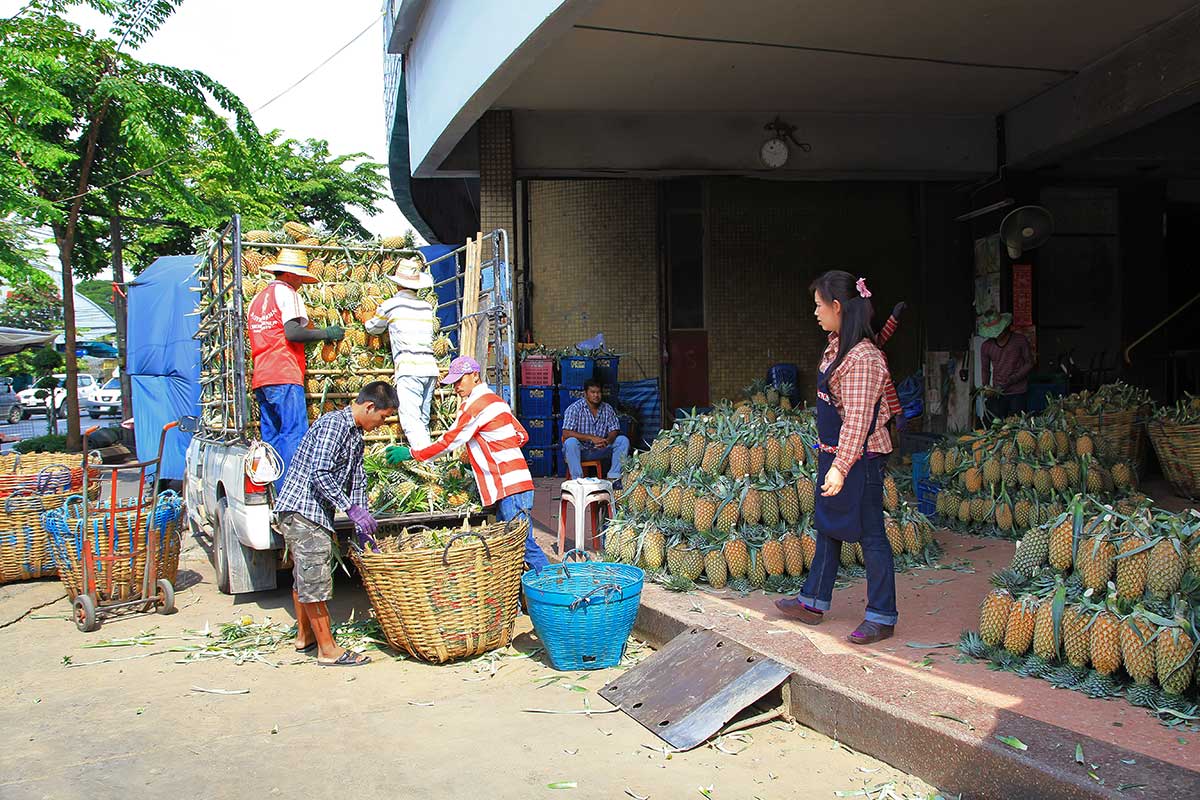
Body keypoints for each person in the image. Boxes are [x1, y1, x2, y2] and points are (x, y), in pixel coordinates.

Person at [775, 272, 897, 645]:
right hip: (835, 453)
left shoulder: (863, 358)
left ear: (838, 306)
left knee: (872, 535)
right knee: (828, 526)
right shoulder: (836, 346)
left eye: (818, 305)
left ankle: (882, 615)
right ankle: (812, 600)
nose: (815, 312)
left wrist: (842, 468)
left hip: (860, 457)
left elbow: (859, 419)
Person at [273, 381, 398, 667]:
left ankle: (305, 637)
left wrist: (362, 519)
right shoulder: (334, 425)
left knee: (304, 576)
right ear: (369, 407)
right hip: (303, 510)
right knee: (315, 580)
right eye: (382, 417)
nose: (382, 424)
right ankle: (328, 650)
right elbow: (320, 473)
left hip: (313, 513)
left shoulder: (355, 435)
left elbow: (357, 479)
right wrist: (349, 508)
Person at [384, 356, 549, 571]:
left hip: (508, 486)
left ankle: (557, 590)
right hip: (520, 482)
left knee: (524, 546)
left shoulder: (474, 405)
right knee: (510, 548)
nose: (456, 387)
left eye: (460, 380)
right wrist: (490, 450)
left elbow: (449, 442)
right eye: (453, 383)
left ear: (475, 376)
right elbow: (521, 435)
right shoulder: (498, 402)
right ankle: (524, 600)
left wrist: (411, 453)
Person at [247, 247, 344, 490]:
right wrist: (326, 333)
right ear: (290, 275)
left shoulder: (257, 300)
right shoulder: (288, 293)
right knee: (293, 434)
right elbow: (293, 333)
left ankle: (276, 490)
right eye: (300, 277)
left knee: (272, 436)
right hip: (284, 372)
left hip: (262, 375)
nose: (301, 282)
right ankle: (294, 491)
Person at [364, 258, 438, 449]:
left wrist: (366, 318)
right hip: (430, 367)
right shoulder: (426, 307)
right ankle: (430, 458)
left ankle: (426, 463)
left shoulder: (392, 305)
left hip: (409, 367)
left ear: (397, 283)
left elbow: (373, 328)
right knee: (422, 419)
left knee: (410, 421)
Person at [561, 379, 630, 484]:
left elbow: (614, 429)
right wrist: (591, 438)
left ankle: (614, 478)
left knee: (622, 440)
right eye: (592, 392)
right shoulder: (574, 409)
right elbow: (566, 433)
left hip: (601, 449)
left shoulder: (607, 409)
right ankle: (578, 481)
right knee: (570, 442)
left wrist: (607, 440)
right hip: (582, 450)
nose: (596, 395)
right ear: (585, 393)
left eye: (598, 392)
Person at [979, 312, 1033, 420]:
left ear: (1004, 327)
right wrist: (986, 388)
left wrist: (1013, 379)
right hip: (998, 392)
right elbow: (985, 370)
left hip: (1018, 391)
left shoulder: (1020, 340)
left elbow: (1029, 363)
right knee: (994, 425)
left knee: (1017, 426)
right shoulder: (986, 346)